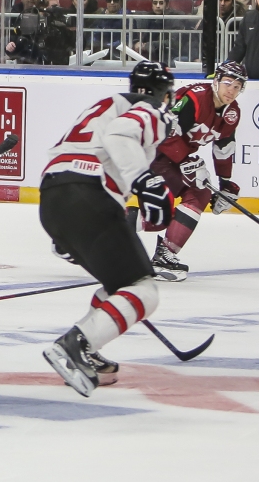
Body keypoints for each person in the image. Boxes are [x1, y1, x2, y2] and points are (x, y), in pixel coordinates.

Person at [39, 61, 175, 397]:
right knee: (144, 291)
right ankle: (76, 345)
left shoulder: (105, 106)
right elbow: (121, 137)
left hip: (53, 198)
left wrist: (68, 231)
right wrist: (146, 182)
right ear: (162, 93)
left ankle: (88, 348)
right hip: (88, 193)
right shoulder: (151, 108)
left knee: (119, 285)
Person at [133, 61, 246, 281]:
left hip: (168, 159)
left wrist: (225, 184)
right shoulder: (195, 99)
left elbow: (223, 148)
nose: (231, 90)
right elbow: (165, 132)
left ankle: (102, 225)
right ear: (216, 81)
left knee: (161, 216)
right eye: (227, 83)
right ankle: (164, 255)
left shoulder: (232, 113)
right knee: (196, 194)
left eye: (237, 86)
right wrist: (187, 161)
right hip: (152, 152)